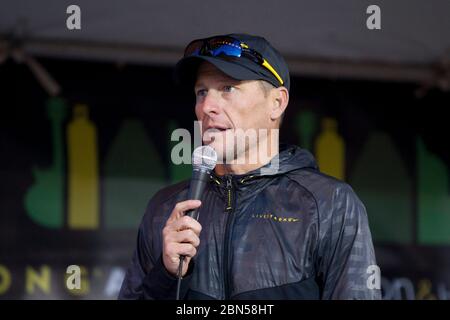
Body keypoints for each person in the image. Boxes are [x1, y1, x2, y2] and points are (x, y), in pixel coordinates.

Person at [118, 33, 381, 300]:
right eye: (201, 92)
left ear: (276, 103)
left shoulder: (328, 204)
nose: (207, 106)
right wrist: (166, 276)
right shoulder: (167, 209)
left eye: (228, 89)